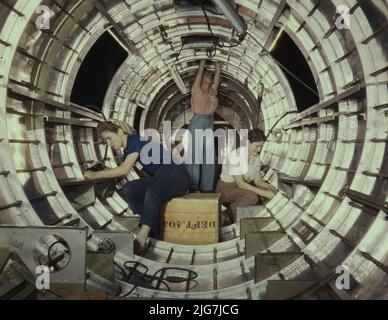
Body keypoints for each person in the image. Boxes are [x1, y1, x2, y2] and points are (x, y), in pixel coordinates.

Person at [84, 122, 190, 252]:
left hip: (176, 174)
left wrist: (95, 175)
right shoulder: (129, 150)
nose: (109, 144)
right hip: (160, 176)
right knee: (130, 189)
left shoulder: (135, 141)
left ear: (120, 132)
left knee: (152, 191)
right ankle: (152, 223)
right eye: (106, 142)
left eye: (109, 138)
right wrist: (102, 168)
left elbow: (123, 170)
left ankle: (142, 236)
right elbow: (118, 171)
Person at [215, 128, 277, 222]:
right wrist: (264, 193)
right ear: (248, 142)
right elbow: (240, 183)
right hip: (226, 189)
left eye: (261, 146)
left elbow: (258, 181)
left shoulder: (256, 157)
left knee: (264, 195)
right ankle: (229, 214)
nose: (259, 149)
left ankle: (241, 215)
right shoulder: (235, 155)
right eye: (257, 146)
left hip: (241, 189)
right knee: (252, 197)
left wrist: (270, 187)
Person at [186, 60, 221, 192]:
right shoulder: (196, 89)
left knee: (209, 156)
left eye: (210, 76)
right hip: (197, 121)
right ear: (201, 78)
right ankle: (193, 186)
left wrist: (217, 67)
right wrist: (202, 63)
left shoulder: (212, 91)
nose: (210, 76)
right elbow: (200, 71)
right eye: (207, 75)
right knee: (194, 155)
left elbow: (217, 74)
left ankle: (207, 187)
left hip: (209, 121)